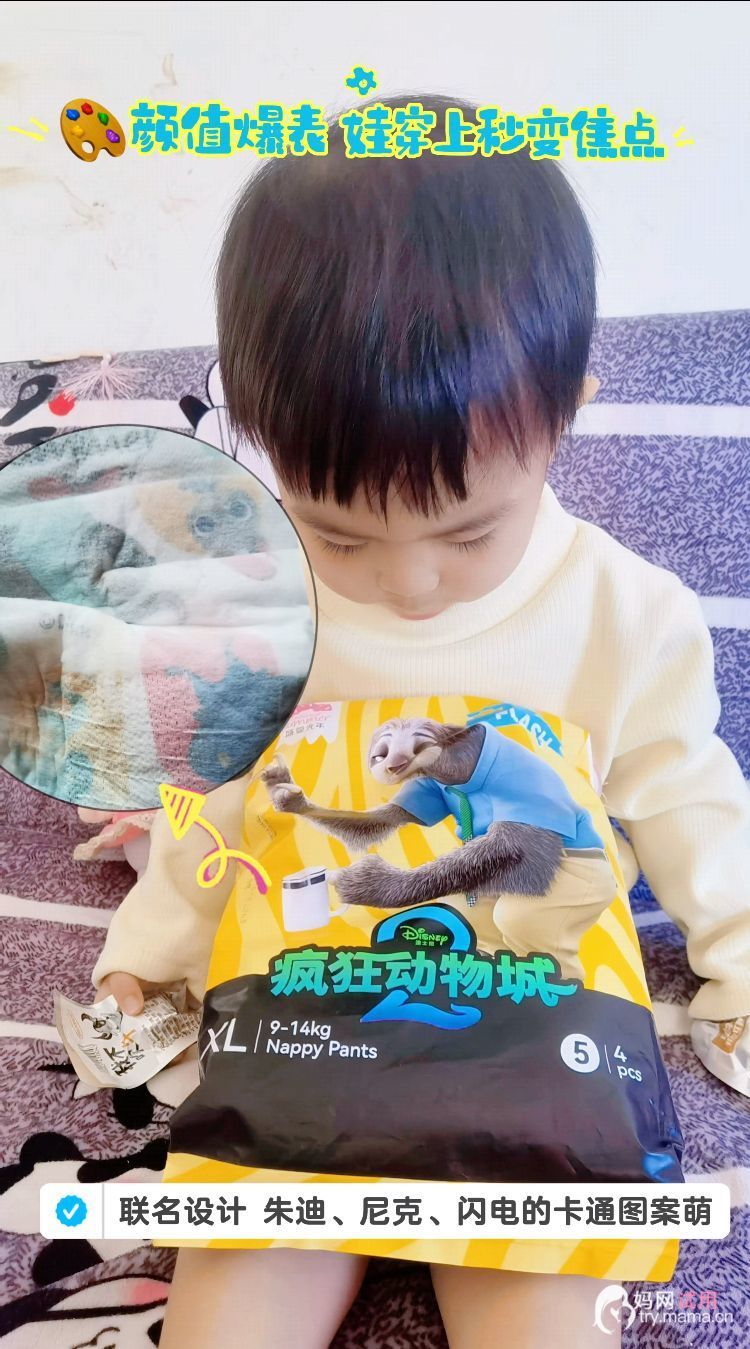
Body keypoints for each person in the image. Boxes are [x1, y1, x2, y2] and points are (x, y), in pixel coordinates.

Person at [92, 94, 750, 1348]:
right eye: (339, 533)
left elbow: (687, 795)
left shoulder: (626, 613)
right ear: (259, 437)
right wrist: (151, 951)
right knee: (234, 1298)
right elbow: (216, 806)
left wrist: (742, 952)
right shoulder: (259, 616)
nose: (409, 582)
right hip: (310, 1016)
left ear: (563, 414)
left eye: (469, 530)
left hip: (530, 1020)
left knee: (541, 1307)